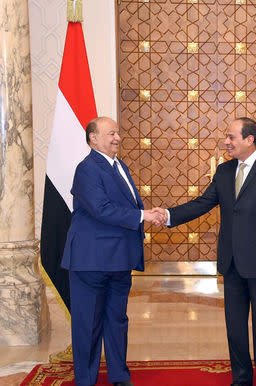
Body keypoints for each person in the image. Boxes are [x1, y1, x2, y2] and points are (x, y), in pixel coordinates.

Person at [152, 117, 256, 386]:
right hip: (231, 262)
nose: (226, 142)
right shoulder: (224, 171)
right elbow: (202, 203)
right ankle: (241, 378)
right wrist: (169, 215)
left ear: (249, 139)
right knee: (235, 327)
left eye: (231, 137)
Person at [61, 117, 164, 386]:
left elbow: (124, 207)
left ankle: (119, 376)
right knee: (89, 326)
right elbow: (101, 209)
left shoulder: (119, 166)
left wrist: (144, 214)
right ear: (93, 138)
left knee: (117, 321)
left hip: (118, 260)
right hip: (91, 262)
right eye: (110, 133)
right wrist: (144, 215)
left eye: (118, 132)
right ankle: (86, 380)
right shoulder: (87, 169)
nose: (117, 137)